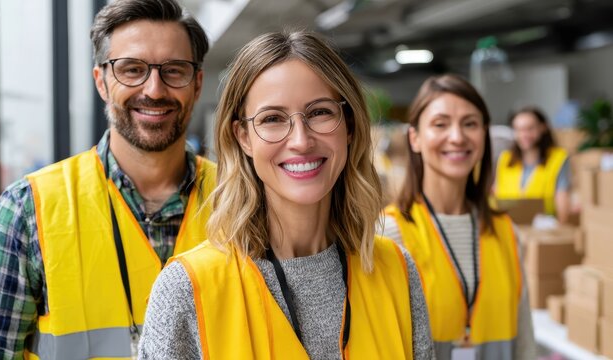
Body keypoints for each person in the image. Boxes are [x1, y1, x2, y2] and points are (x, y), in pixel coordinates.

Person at [138, 30, 435, 359]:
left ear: (349, 124)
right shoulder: (188, 290)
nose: (300, 140)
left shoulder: (396, 271)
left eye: (320, 112)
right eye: (273, 119)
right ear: (243, 137)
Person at [0, 0, 216, 358]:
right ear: (101, 81)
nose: (154, 89)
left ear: (196, 84)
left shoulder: (244, 197)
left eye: (174, 70)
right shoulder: (26, 211)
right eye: (132, 69)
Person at [380, 74, 535, 360]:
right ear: (414, 138)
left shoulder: (505, 232)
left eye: (470, 124)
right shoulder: (391, 235)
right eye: (440, 124)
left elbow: (524, 343)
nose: (457, 136)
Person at [494, 106, 571, 223]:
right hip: (508, 227)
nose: (524, 135)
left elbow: (562, 201)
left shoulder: (558, 158)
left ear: (542, 127)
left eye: (530, 128)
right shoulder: (505, 158)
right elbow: (496, 192)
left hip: (543, 229)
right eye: (518, 129)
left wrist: (560, 230)